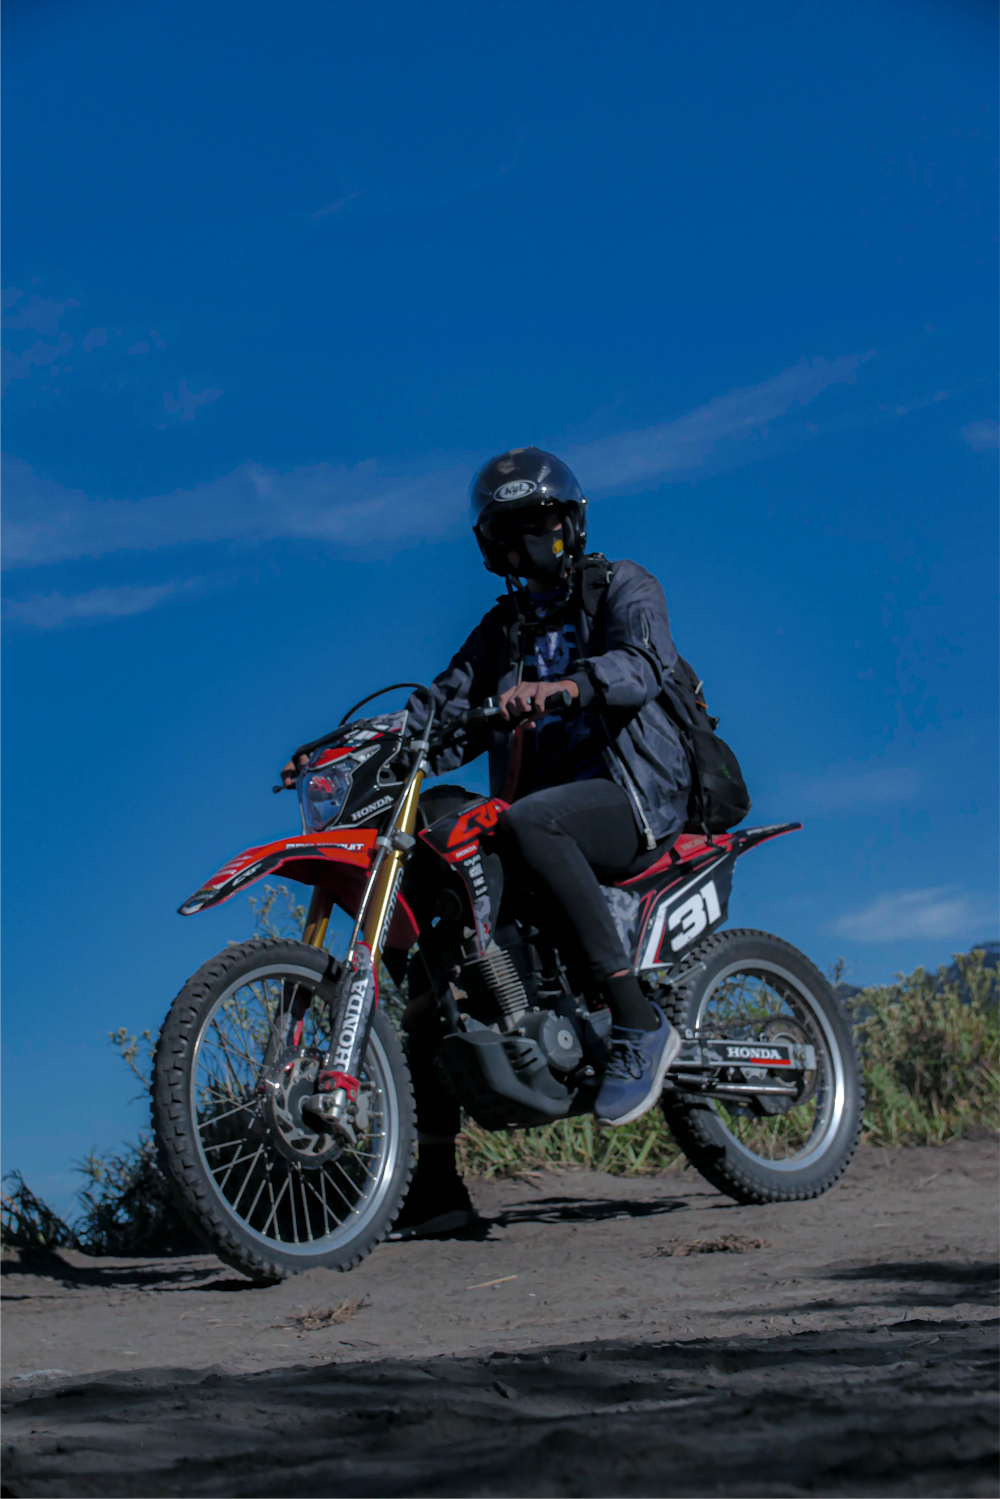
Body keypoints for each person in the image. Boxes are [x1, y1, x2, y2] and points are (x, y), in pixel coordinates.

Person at [388, 447, 693, 1237]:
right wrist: (367, 743)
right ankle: (435, 1186)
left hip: (632, 793)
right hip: (543, 809)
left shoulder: (624, 585)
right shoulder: (501, 629)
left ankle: (638, 1019)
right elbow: (443, 711)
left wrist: (565, 686)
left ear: (572, 524)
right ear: (494, 550)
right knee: (437, 963)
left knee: (530, 817)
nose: (532, 546)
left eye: (544, 528)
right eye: (513, 535)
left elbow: (642, 663)